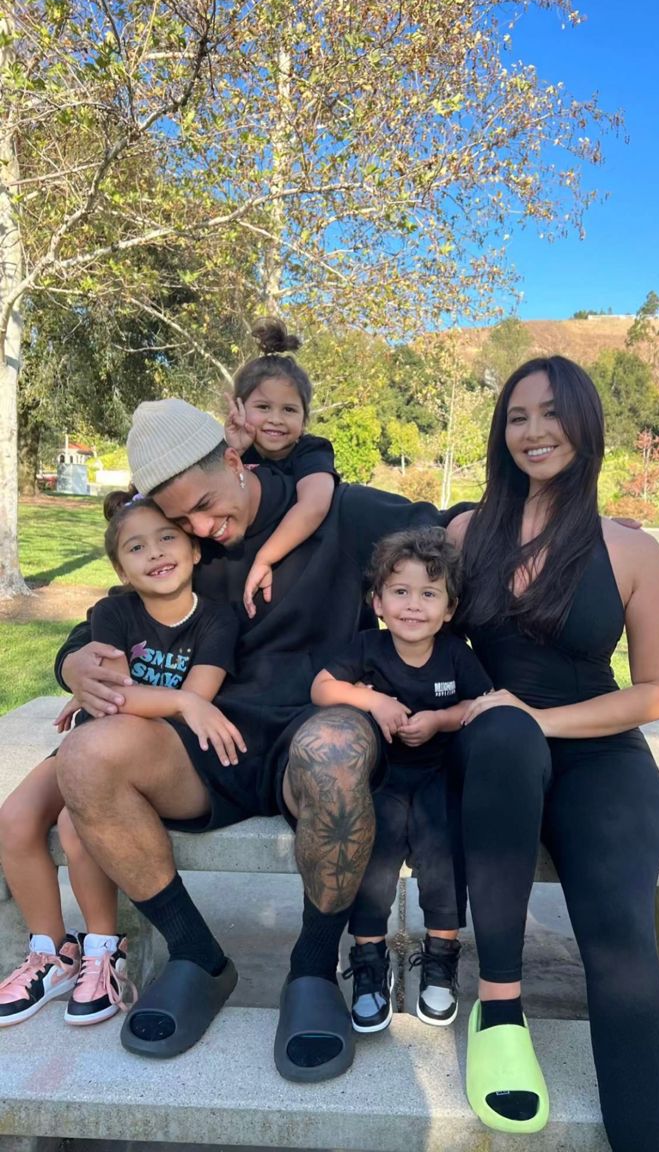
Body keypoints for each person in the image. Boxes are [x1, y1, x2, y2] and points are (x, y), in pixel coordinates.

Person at [51, 397, 459, 1080]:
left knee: (335, 749)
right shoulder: (183, 543)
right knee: (88, 755)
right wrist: (70, 662)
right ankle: (196, 958)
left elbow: (450, 529)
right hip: (210, 740)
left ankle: (309, 973)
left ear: (236, 461)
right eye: (182, 522)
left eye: (208, 505)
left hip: (317, 724)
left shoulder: (338, 511)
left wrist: (575, 526)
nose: (202, 528)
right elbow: (112, 617)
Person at [448, 355, 659, 1151]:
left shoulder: (628, 549)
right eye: (516, 416)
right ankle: (500, 1008)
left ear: (584, 426)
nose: (533, 431)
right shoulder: (462, 533)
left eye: (550, 413)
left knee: (619, 937)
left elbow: (657, 693)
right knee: (505, 735)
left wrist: (537, 719)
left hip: (599, 758)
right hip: (494, 758)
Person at [0, 490, 240, 1029]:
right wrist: (174, 698)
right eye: (136, 547)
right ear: (122, 569)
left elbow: (179, 702)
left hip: (141, 757)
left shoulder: (217, 620)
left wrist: (163, 700)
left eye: (167, 538)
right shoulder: (112, 612)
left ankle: (104, 949)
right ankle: (50, 953)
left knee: (75, 823)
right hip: (92, 739)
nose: (155, 553)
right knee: (13, 820)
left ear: (195, 550)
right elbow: (114, 696)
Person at [311, 527, 490, 1034]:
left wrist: (437, 720)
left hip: (438, 776)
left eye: (429, 594)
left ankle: (441, 955)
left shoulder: (456, 653)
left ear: (450, 608)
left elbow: (477, 703)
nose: (414, 606)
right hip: (381, 779)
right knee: (373, 858)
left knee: (442, 856)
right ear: (378, 602)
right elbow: (322, 688)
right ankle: (369, 961)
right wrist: (373, 701)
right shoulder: (368, 647)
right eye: (401, 592)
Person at [224, 316, 339, 619]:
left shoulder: (311, 450)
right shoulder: (230, 453)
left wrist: (265, 558)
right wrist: (235, 447)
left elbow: (314, 505)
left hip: (304, 585)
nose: (276, 418)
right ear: (239, 408)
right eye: (263, 407)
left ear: (304, 420)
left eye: (289, 410)